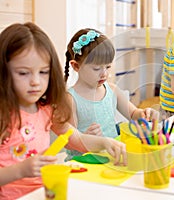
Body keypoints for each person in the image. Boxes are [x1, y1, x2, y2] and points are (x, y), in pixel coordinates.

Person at [0, 22, 126, 200]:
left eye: (43, 72)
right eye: (23, 73)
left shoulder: (46, 110)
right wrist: (20, 170)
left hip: (45, 193)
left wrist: (104, 143)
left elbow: (77, 139)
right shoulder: (3, 115)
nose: (36, 81)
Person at [64, 28, 159, 160]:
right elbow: (68, 142)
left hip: (112, 158)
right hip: (83, 163)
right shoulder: (70, 99)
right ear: (76, 66)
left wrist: (145, 114)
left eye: (107, 67)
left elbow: (133, 114)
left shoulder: (112, 90)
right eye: (97, 68)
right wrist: (84, 137)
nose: (104, 73)